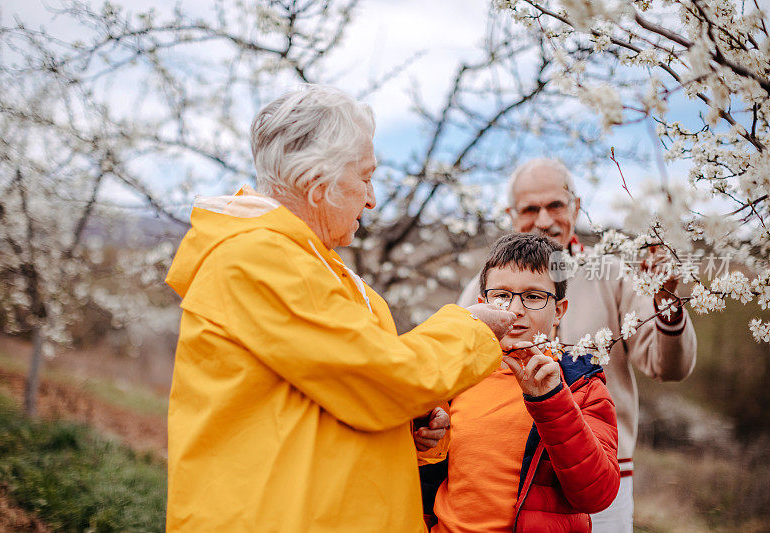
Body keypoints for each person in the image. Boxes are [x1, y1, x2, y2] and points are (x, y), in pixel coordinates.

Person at [164, 84, 516, 532]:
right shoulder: (260, 260)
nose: (372, 199)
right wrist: (470, 327)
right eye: (365, 177)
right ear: (317, 186)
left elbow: (336, 393)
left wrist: (407, 423)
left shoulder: (303, 264)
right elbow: (381, 380)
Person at [457, 158, 697, 532]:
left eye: (555, 205)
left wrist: (666, 301)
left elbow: (669, 367)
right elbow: (456, 368)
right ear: (511, 214)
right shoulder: (483, 288)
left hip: (601, 475)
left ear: (577, 207)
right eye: (530, 209)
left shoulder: (613, 274)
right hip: (516, 482)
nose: (543, 220)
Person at [420, 232, 620, 532]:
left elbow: (596, 493)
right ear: (481, 305)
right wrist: (421, 439)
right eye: (501, 295)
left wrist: (551, 401)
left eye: (534, 296)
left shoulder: (582, 387)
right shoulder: (456, 373)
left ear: (559, 312)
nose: (515, 309)